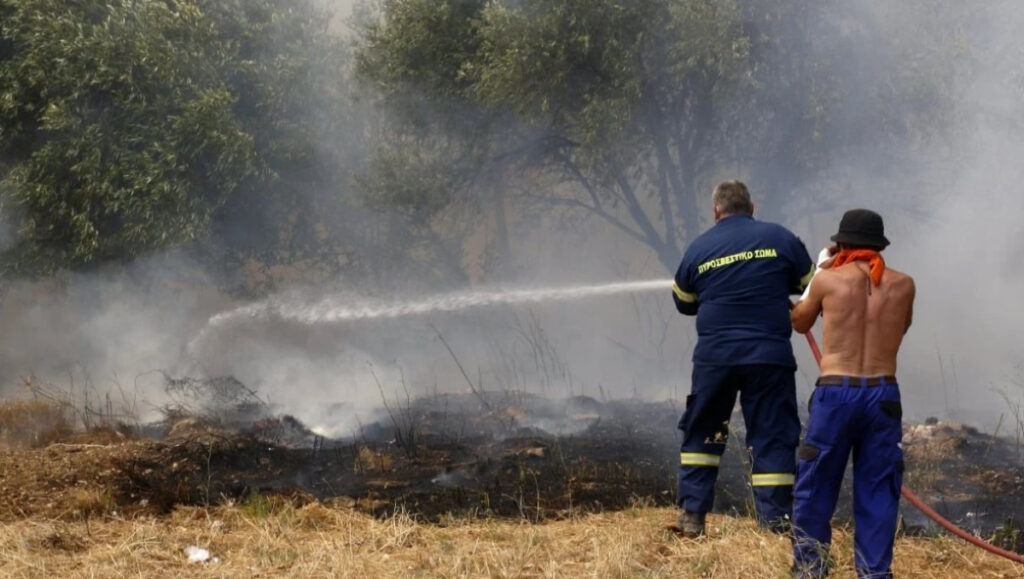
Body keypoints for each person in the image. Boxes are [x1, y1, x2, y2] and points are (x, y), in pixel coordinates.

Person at [671, 180, 814, 537]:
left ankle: (692, 517)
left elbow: (684, 303)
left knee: (704, 431)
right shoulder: (781, 238)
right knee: (772, 435)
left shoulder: (699, 248)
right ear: (752, 208)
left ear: (716, 211)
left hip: (715, 358)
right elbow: (810, 285)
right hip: (769, 357)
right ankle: (775, 524)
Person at [790, 208, 915, 579]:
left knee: (815, 484)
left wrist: (819, 273)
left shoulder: (829, 280)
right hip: (883, 395)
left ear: (841, 243)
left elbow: (799, 322)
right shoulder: (905, 284)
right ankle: (875, 574)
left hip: (836, 394)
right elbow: (901, 326)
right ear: (880, 245)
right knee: (878, 488)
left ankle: (811, 569)